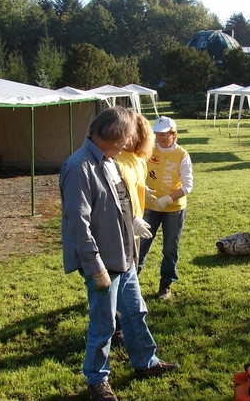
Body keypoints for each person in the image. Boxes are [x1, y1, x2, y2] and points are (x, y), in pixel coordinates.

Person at [59, 106, 179, 401]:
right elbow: (78, 222)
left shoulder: (110, 161)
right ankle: (96, 381)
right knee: (104, 324)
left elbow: (123, 203)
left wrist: (134, 224)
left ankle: (145, 363)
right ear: (113, 134)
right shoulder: (80, 167)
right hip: (103, 262)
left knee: (136, 313)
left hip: (124, 257)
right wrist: (94, 266)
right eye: (126, 137)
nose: (129, 143)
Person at [138, 116, 193, 300]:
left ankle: (166, 285)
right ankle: (130, 281)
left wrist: (168, 198)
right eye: (157, 134)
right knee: (141, 244)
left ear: (173, 134)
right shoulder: (149, 150)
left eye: (163, 134)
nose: (159, 138)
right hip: (150, 206)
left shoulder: (182, 155)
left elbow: (187, 186)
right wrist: (143, 189)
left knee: (170, 248)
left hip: (173, 209)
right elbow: (138, 172)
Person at [111, 112, 154, 346]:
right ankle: (117, 327)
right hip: (122, 226)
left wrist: (145, 191)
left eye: (135, 134)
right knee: (121, 278)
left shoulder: (138, 159)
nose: (130, 139)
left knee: (132, 274)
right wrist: (132, 219)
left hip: (136, 228)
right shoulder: (116, 160)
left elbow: (135, 184)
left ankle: (126, 323)